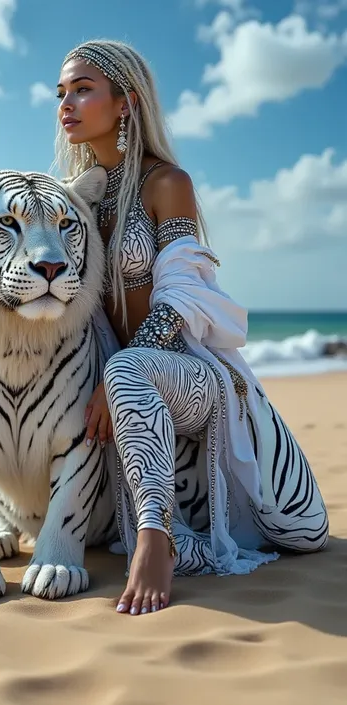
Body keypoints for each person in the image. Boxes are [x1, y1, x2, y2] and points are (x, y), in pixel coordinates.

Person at [54, 39, 329, 616]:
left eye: (83, 90)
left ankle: (155, 541)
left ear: (126, 102)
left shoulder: (166, 183)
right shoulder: (73, 200)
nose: (67, 104)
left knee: (306, 535)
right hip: (124, 393)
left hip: (187, 377)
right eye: (62, 93)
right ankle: (154, 528)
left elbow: (183, 295)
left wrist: (113, 376)